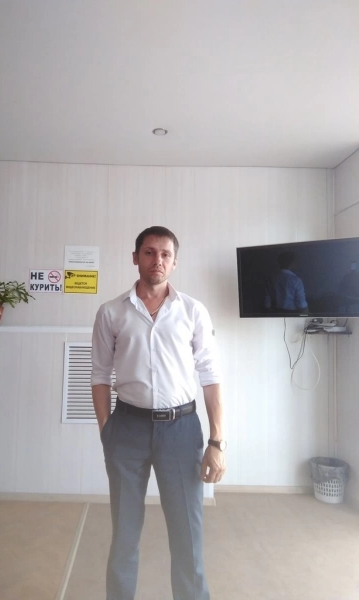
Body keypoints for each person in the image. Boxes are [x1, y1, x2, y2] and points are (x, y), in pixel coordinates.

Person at [91, 225, 225, 600]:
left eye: (165, 254)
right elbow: (100, 375)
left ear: (175, 262)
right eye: (149, 252)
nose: (157, 260)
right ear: (136, 258)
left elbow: (211, 377)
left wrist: (217, 441)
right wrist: (107, 431)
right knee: (124, 533)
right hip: (127, 429)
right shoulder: (111, 312)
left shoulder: (193, 311)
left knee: (188, 535)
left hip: (181, 431)